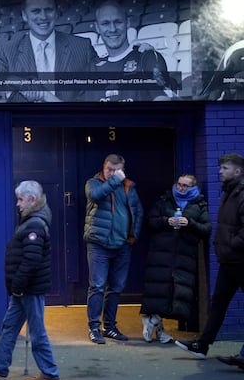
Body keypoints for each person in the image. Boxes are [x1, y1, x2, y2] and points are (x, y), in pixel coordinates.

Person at [0, 180, 60, 380]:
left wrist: (19, 285)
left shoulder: (35, 225)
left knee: (37, 331)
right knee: (10, 325)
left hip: (29, 288)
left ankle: (50, 373)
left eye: (21, 200)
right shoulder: (31, 220)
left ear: (32, 200)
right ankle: (0, 366)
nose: (18, 204)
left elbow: (31, 260)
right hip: (22, 289)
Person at [176, 153, 244, 362]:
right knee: (218, 304)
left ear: (238, 171)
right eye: (220, 167)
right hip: (229, 260)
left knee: (220, 303)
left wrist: (232, 244)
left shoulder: (241, 194)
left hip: (241, 260)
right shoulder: (229, 191)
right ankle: (202, 345)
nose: (219, 171)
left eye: (225, 168)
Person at [0, 0, 98, 103]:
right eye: (36, 11)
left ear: (56, 12)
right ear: (24, 15)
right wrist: (11, 87)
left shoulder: (82, 47)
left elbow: (99, 91)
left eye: (49, 10)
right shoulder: (9, 50)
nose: (43, 17)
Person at [140, 174, 211, 343]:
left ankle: (154, 320)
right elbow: (150, 221)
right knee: (160, 291)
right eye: (179, 184)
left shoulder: (199, 205)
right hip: (162, 252)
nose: (180, 188)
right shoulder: (165, 199)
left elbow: (206, 229)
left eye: (185, 186)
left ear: (192, 187)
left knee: (176, 292)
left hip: (184, 254)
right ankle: (157, 326)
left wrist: (190, 223)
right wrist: (166, 221)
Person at [84, 154, 143, 344]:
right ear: (104, 167)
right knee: (97, 286)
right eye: (109, 169)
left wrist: (132, 236)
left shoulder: (128, 187)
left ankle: (109, 327)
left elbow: (137, 211)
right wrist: (115, 179)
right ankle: (94, 327)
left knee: (116, 288)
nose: (111, 173)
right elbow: (96, 195)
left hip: (122, 245)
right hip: (99, 244)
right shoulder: (94, 183)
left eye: (116, 170)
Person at [86, 0, 175, 102]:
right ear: (97, 27)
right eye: (105, 23)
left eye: (118, 22)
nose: (112, 29)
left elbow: (162, 98)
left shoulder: (146, 57)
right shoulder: (92, 67)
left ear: (127, 22)